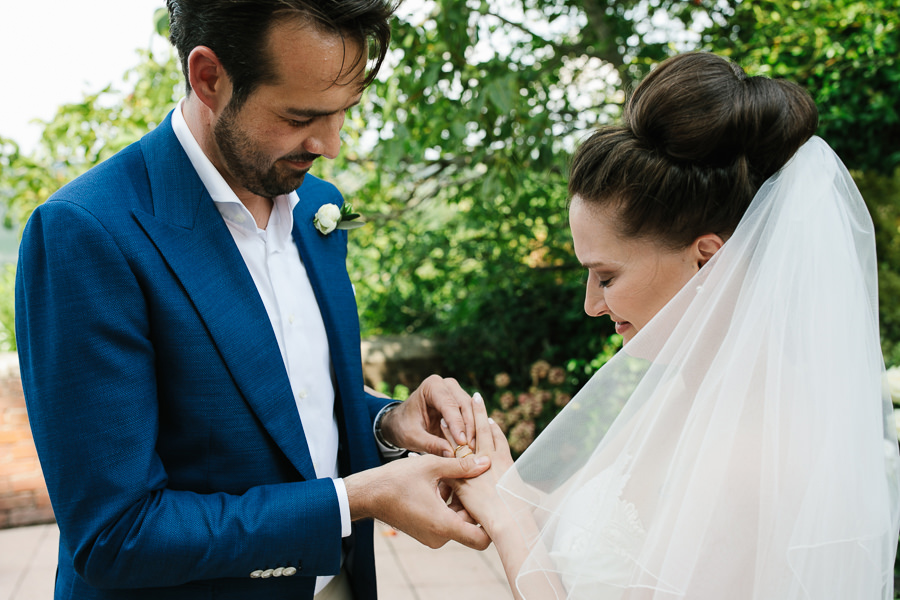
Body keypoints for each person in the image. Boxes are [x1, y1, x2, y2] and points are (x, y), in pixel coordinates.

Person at [15, 1, 492, 599]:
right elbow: (115, 534)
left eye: (344, 113)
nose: (331, 144)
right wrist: (357, 499)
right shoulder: (85, 232)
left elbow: (285, 404)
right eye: (300, 117)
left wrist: (386, 424)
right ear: (209, 78)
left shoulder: (316, 199)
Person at [443, 52, 900, 599]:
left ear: (707, 257)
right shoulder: (686, 387)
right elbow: (568, 542)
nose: (591, 305)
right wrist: (496, 479)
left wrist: (505, 516)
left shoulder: (759, 455)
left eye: (606, 276)